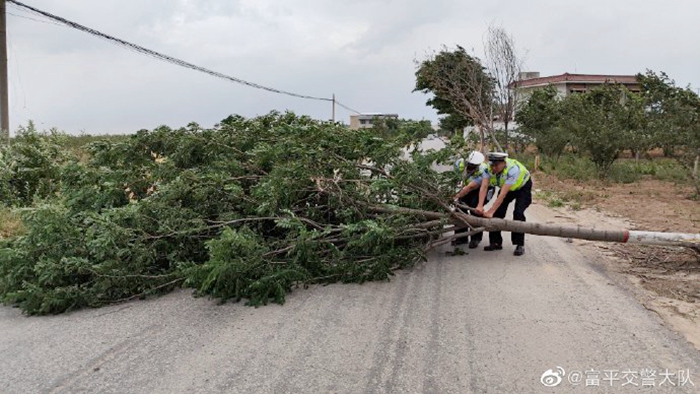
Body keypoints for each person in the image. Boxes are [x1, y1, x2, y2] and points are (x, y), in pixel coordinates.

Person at [475, 152, 532, 256]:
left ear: (504, 163)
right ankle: (495, 242)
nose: (494, 168)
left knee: (518, 213)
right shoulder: (487, 169)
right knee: (498, 213)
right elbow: (484, 187)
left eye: (496, 165)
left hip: (522, 187)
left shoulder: (513, 170)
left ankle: (519, 244)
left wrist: (490, 211)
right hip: (508, 188)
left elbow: (502, 195)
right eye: (492, 165)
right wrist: (480, 205)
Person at [452, 151, 494, 249]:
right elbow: (457, 181)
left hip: (484, 189)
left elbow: (470, 187)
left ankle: (476, 238)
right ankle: (461, 238)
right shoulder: (459, 164)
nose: (471, 167)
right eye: (469, 165)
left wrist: (455, 197)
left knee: (475, 208)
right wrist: (454, 198)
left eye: (473, 166)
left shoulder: (483, 170)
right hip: (467, 187)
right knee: (459, 209)